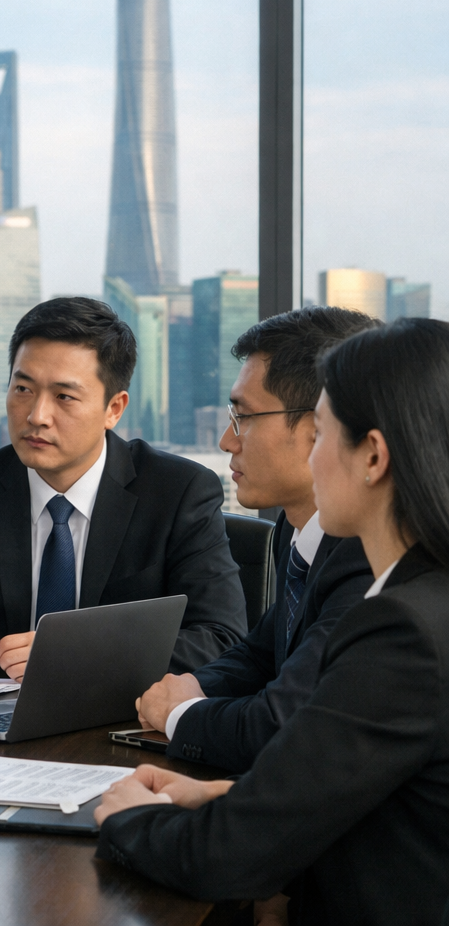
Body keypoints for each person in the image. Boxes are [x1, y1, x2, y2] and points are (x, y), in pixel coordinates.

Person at [94, 317, 449, 926]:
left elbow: (224, 858)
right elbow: (372, 787)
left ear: (372, 456)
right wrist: (225, 794)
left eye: (324, 434)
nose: (312, 456)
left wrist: (127, 815)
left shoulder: (402, 632)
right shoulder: (426, 597)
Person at [0, 296, 247, 682]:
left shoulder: (178, 492)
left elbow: (221, 640)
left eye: (64, 397)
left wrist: (76, 653)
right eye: (23, 389)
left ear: (114, 408)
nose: (36, 416)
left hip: (113, 732)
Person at [135, 307, 377, 772]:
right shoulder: (300, 527)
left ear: (318, 429)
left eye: (243, 417)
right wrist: (192, 688)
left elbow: (282, 723)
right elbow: (261, 654)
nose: (227, 441)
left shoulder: (370, 557)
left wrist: (181, 713)